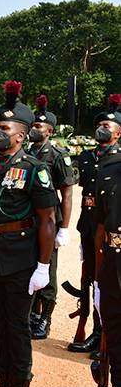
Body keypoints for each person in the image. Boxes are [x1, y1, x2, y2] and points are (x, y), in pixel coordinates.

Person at [0, 81, 57, 387]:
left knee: (18, 328)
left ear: (20, 135)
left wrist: (43, 267)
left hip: (22, 260)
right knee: (0, 327)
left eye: (3, 128)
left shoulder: (34, 169)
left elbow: (48, 220)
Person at [70, 94, 121, 355]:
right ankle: (97, 331)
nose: (102, 129)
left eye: (108, 126)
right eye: (99, 125)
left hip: (109, 227)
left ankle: (109, 335)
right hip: (88, 226)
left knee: (108, 282)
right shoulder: (87, 157)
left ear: (119, 133)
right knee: (93, 280)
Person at [27, 95, 74, 340]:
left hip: (49, 219)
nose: (33, 130)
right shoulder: (24, 153)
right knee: (29, 263)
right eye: (31, 126)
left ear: (49, 130)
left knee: (48, 266)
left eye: (37, 126)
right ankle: (32, 313)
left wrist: (64, 227)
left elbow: (66, 193)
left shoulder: (58, 155)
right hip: (28, 218)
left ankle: (45, 317)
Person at [92, 97, 121, 387]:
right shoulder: (109, 170)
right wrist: (100, 278)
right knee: (114, 341)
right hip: (113, 268)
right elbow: (101, 230)